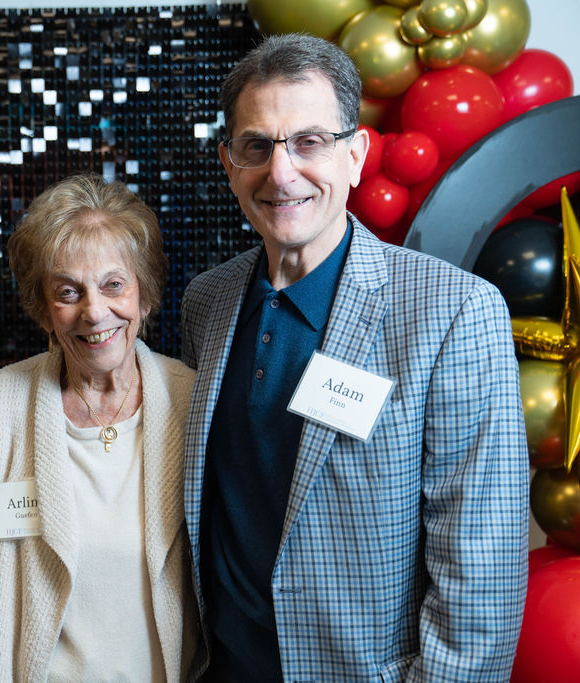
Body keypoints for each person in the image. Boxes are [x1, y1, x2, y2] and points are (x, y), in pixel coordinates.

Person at [180, 33, 529, 681]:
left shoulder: (454, 311)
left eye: (309, 142)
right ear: (228, 163)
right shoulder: (207, 302)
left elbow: (482, 578)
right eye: (257, 146)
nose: (281, 173)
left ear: (356, 156)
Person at [0, 173, 198, 681]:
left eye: (114, 285)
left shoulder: (191, 402)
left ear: (143, 295)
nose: (94, 312)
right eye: (69, 292)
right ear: (45, 312)